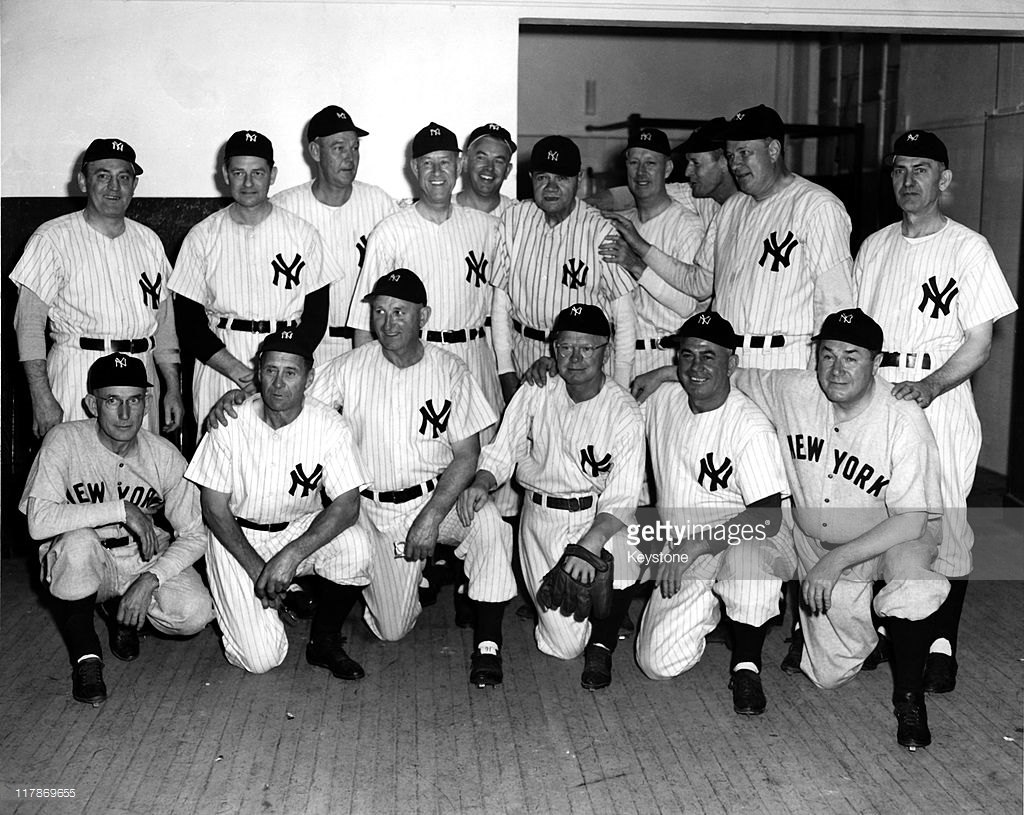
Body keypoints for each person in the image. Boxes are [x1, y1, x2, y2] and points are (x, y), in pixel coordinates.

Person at [210, 269, 516, 686]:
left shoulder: (450, 369)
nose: (388, 322)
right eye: (380, 311)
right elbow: (287, 394)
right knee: (392, 629)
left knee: (489, 523)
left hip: (434, 501)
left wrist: (431, 517)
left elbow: (467, 456)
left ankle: (488, 643)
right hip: (372, 511)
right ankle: (425, 578)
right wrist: (238, 397)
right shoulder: (349, 367)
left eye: (400, 312)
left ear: (423, 316)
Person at [729, 308, 949, 749]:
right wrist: (662, 375)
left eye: (852, 356)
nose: (837, 368)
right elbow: (726, 373)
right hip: (815, 540)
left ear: (877, 360)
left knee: (912, 584)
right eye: (827, 355)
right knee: (828, 675)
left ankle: (909, 699)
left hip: (891, 537)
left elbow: (911, 519)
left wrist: (836, 561)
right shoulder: (793, 389)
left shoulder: (902, 418)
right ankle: (872, 629)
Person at [854, 129, 1018, 692]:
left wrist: (930, 386)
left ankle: (942, 643)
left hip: (939, 399)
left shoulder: (969, 248)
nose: (908, 180)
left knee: (944, 523)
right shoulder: (874, 246)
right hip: (880, 398)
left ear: (943, 180)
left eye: (921, 169)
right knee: (880, 516)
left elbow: (979, 342)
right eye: (899, 169)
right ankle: (888, 630)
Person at [459, 304, 644, 689]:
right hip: (540, 519)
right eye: (565, 347)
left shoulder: (624, 410)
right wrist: (482, 481)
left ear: (605, 351)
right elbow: (502, 449)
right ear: (552, 348)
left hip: (593, 517)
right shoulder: (537, 387)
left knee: (629, 544)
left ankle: (604, 643)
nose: (575, 358)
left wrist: (588, 547)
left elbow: (623, 498)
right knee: (562, 647)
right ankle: (580, 620)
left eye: (587, 349)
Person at [19, 353, 214, 705]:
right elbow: (38, 522)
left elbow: (197, 533)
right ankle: (87, 658)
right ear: (92, 404)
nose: (125, 414)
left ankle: (122, 611)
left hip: (140, 558)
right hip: (89, 556)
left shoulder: (164, 454)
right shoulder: (63, 441)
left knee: (195, 612)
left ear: (146, 403)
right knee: (78, 544)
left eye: (134, 400)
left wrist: (150, 578)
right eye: (112, 400)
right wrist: (121, 510)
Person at [185, 329, 372, 677]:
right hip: (235, 537)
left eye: (291, 372)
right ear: (258, 372)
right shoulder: (229, 420)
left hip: (294, 532)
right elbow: (213, 509)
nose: (278, 383)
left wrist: (292, 555)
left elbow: (347, 504)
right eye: (271, 370)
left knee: (356, 545)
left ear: (309, 378)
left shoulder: (329, 425)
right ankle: (247, 597)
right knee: (261, 660)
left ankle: (325, 641)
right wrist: (258, 569)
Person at [634, 311, 791, 715]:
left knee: (750, 573)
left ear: (731, 364)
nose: (696, 366)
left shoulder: (749, 426)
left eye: (709, 356)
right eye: (687, 356)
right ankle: (716, 609)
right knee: (656, 663)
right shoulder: (663, 400)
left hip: (743, 535)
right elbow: (611, 404)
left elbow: (768, 517)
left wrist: (694, 546)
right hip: (682, 546)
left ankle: (747, 664)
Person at [12, 137, 184, 437]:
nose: (113, 187)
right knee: (77, 478)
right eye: (102, 176)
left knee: (138, 478)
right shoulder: (52, 238)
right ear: (82, 180)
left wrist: (172, 388)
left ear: (134, 185)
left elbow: (164, 327)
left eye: (123, 177)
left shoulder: (149, 241)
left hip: (141, 376)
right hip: (79, 372)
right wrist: (41, 396)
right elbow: (28, 325)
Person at [169, 129, 333, 437]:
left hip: (285, 364)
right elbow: (189, 324)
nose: (248, 183)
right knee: (218, 468)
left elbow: (315, 318)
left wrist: (278, 371)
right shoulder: (202, 236)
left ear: (272, 175)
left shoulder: (303, 233)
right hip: (221, 364)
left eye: (257, 172)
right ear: (225, 175)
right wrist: (239, 372)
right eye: (238, 172)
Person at [345, 122, 504, 421]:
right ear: (414, 167)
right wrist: (369, 383)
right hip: (417, 359)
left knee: (483, 459)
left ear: (459, 165)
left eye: (445, 162)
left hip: (475, 356)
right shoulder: (390, 231)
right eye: (427, 163)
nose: (436, 172)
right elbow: (363, 323)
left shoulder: (488, 228)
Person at [489, 136, 637, 402]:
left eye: (562, 178)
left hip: (581, 363)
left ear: (578, 178)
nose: (551, 187)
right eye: (543, 177)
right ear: (531, 177)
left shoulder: (600, 230)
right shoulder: (514, 220)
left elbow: (624, 318)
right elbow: (501, 303)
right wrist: (505, 370)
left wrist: (622, 388)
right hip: (525, 354)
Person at [271, 105, 398, 365]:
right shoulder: (285, 207)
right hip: (304, 345)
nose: (350, 158)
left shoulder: (379, 203)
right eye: (339, 148)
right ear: (316, 151)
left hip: (368, 344)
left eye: (354, 147)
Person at [596, 127, 706, 375]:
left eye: (650, 163)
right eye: (634, 162)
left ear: (667, 169)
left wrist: (636, 266)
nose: (641, 172)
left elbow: (687, 306)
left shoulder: (687, 226)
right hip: (619, 356)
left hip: (664, 358)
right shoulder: (620, 222)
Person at [456, 123, 517, 217]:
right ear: (465, 162)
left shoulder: (518, 216)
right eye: (481, 158)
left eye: (498, 161)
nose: (489, 167)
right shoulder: (439, 212)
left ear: (507, 170)